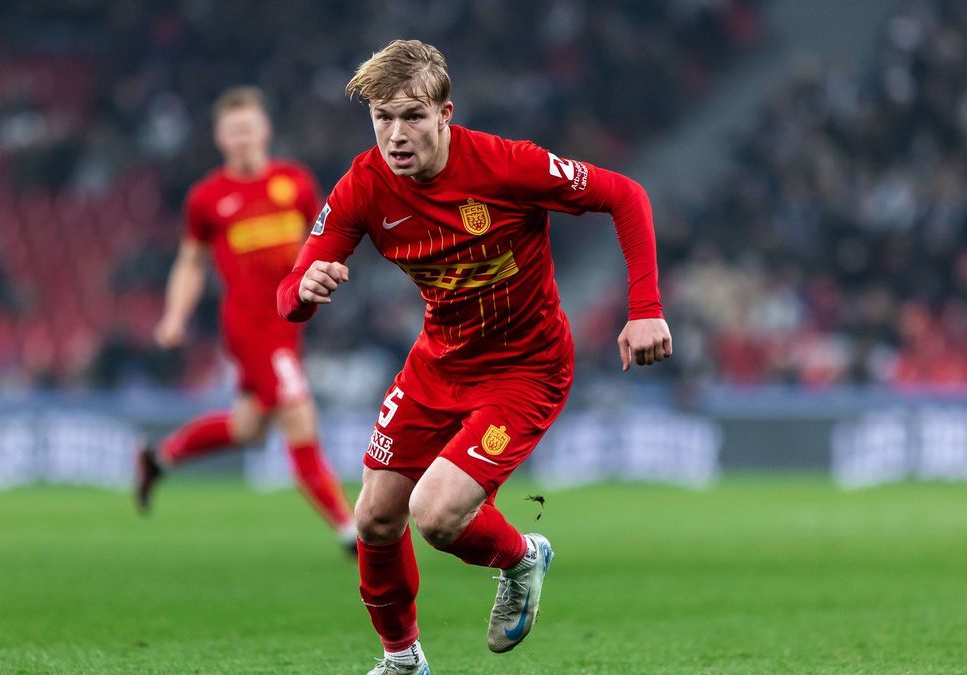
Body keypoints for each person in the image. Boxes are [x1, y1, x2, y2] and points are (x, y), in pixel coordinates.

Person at [276, 40, 672, 674]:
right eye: (382, 118)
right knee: (376, 518)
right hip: (438, 365)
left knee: (434, 515)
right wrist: (304, 289)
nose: (396, 135)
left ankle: (520, 555)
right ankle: (403, 660)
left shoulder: (506, 166)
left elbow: (624, 195)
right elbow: (290, 292)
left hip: (525, 369)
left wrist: (646, 307)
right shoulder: (363, 186)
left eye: (412, 117)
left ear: (445, 114)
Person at [136, 86, 356, 553]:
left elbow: (321, 241)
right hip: (250, 325)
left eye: (248, 129)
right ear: (220, 138)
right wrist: (174, 317)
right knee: (299, 415)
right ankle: (350, 530)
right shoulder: (208, 198)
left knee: (248, 428)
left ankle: (159, 458)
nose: (242, 139)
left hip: (289, 323)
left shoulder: (294, 182)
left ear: (265, 131)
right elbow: (191, 261)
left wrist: (328, 271)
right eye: (233, 132)